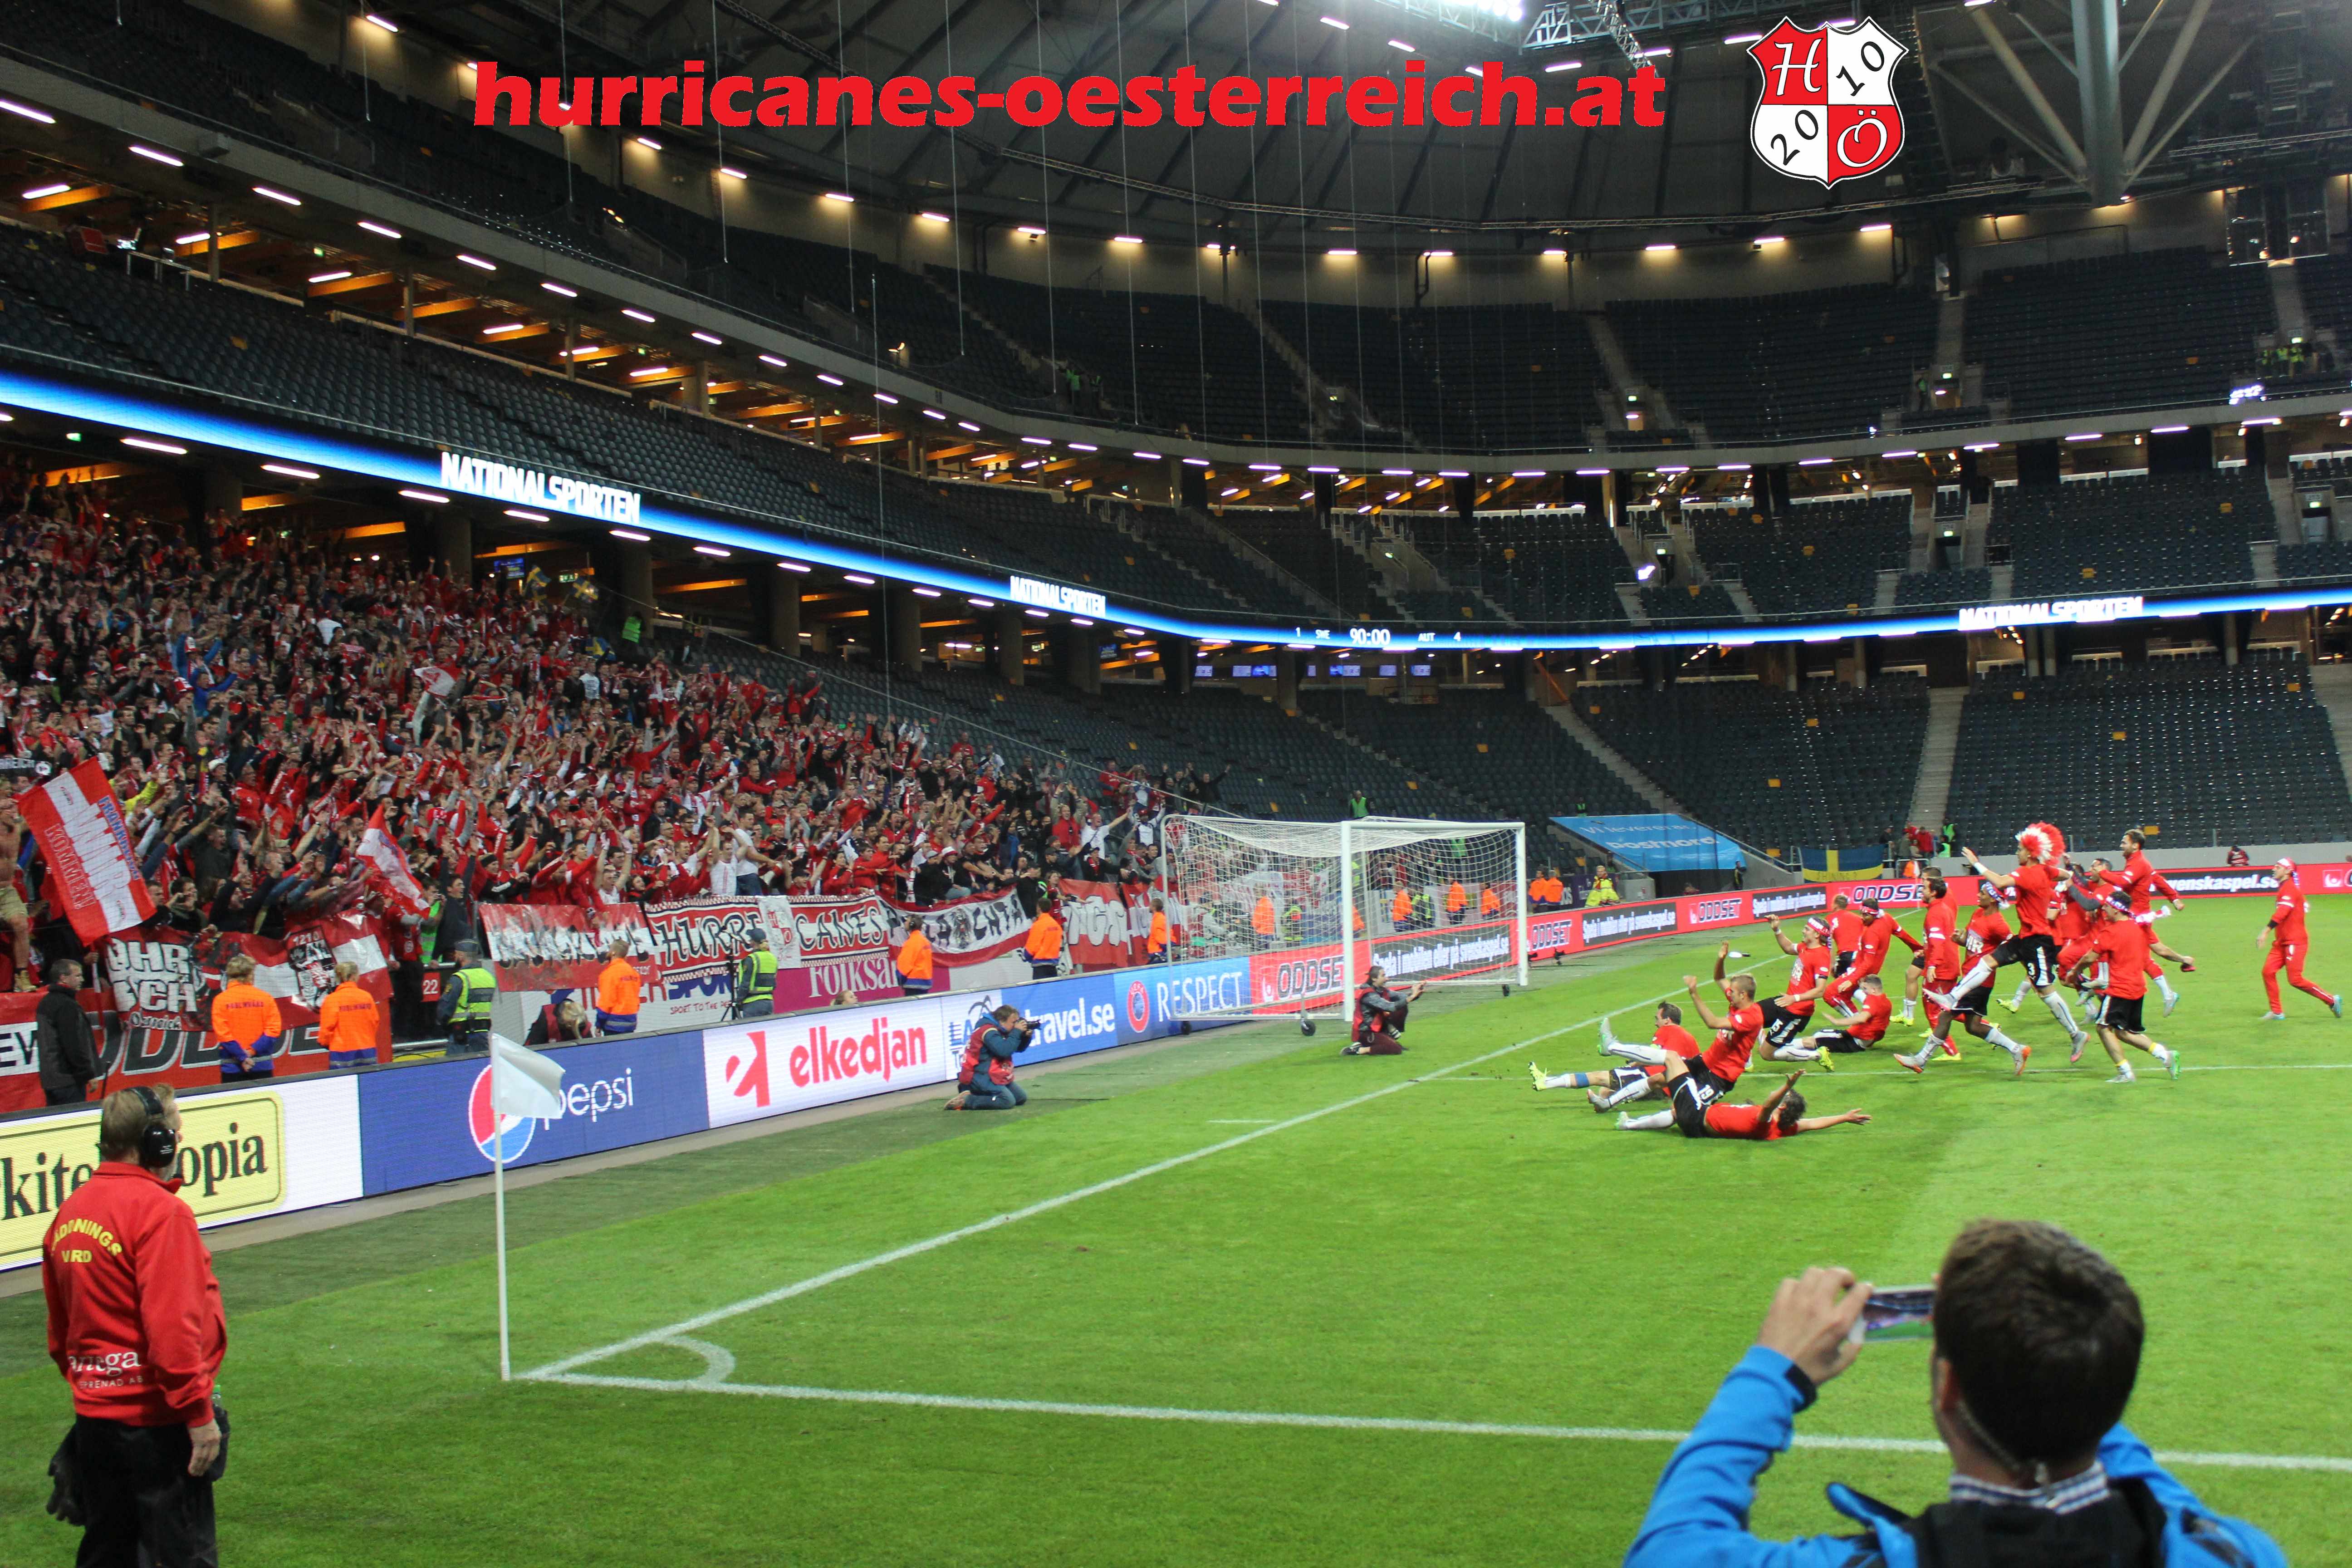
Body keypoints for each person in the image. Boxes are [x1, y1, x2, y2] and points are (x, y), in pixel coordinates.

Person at [1623, 1219, 2286, 1568]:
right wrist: (2053, 1344)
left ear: (1947, 1389)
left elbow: (1669, 1551)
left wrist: (1774, 1371)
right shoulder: (2232, 1552)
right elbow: (2114, 1440)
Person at [41, 1086, 227, 1568]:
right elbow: (173, 1332)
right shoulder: (161, 1213)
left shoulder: (71, 1212)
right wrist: (198, 1413)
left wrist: (97, 1386)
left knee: (109, 1552)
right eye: (175, 1132)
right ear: (155, 1143)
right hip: (157, 1424)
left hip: (96, 1423)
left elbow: (61, 1335)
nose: (179, 1141)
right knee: (178, 1555)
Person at [1896, 883, 2034, 1078]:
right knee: (1973, 1027)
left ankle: (1921, 1060)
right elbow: (1972, 942)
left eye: (1983, 893)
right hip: (1969, 978)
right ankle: (2017, 1049)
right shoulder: (1978, 914)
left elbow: (2014, 949)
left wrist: (2031, 972)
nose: (1978, 895)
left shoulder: (1999, 924)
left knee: (1945, 1016)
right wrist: (1960, 940)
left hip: (1980, 982)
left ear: (1992, 899)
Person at [1616, 1063, 1872, 1138]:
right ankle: (1629, 1124)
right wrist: (1845, 1118)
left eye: (1783, 1097)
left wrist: (1788, 1085)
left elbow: (1769, 1105)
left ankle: (1616, 1054)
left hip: (1698, 1117)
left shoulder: (1767, 1121)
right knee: (1675, 1111)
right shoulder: (1784, 1128)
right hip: (1697, 1121)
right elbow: (1814, 1123)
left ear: (1783, 1106)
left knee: (1673, 1060)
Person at [1531, 1000, 1698, 1109]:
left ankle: (1546, 1083)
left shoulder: (1667, 1030)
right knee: (1605, 1090)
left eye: (1658, 1018)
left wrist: (1634, 1063)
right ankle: (1605, 1102)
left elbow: (1653, 1055)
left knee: (1598, 1078)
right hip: (1669, 1089)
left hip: (1649, 1076)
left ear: (1667, 1020)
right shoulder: (1690, 1038)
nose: (1656, 1023)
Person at [2085, 896, 2182, 1084]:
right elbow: (2161, 950)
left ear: (2116, 909)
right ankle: (2166, 1056)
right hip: (2137, 989)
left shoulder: (2110, 931)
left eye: (2107, 906)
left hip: (2120, 989)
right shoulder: (2140, 926)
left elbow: (2089, 958)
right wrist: (2183, 959)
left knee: (2103, 1028)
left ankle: (2125, 1073)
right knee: (2124, 1033)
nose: (2103, 909)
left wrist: (2074, 972)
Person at [2258, 857, 2339, 1020]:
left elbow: (2282, 913)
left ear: (2288, 871)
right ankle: (2277, 1012)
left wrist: (2265, 931)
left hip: (2295, 942)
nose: (2274, 869)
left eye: (2278, 867)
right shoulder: (2287, 889)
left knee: (2295, 980)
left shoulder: (2290, 889)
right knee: (2268, 972)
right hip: (2282, 942)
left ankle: (2331, 1000)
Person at [36, 956, 101, 1107]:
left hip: (51, 1080)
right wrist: (87, 1074)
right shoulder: (67, 1005)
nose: (82, 980)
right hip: (69, 1080)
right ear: (63, 978)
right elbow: (73, 1044)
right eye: (77, 976)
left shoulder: (45, 1002)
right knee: (74, 1120)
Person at [946, 1004, 1035, 1111]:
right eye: (1013, 1022)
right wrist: (1017, 1032)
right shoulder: (988, 1031)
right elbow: (1004, 1051)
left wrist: (1025, 1037)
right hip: (979, 1075)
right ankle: (966, 1100)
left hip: (993, 1073)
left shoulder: (1000, 1029)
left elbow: (1017, 1048)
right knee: (1007, 1101)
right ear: (1002, 1021)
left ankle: (977, 1093)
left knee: (1020, 1098)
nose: (1016, 1025)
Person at [210, 955, 283, 1083]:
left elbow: (223, 1035)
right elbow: (273, 1031)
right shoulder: (265, 998)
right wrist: (251, 1052)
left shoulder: (221, 1000)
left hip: (232, 1067)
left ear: (230, 975)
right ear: (250, 974)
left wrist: (242, 1057)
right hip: (261, 1064)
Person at [316, 960, 381, 1072]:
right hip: (367, 1049)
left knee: (344, 1082)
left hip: (341, 1053)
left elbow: (326, 1029)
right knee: (368, 1081)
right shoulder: (366, 997)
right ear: (354, 976)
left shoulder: (332, 999)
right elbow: (375, 1022)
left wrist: (326, 1043)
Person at [436, 938, 497, 1058]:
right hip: (482, 1034)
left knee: (455, 1067)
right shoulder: (489, 977)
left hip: (461, 1037)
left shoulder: (459, 978)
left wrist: (441, 1026)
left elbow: (446, 1008)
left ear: (461, 956)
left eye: (456, 954)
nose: (454, 957)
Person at [1344, 965, 1424, 1055]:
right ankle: (1361, 1050)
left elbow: (1403, 998)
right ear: (1374, 979)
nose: (1387, 979)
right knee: (1395, 1049)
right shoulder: (1369, 995)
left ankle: (1388, 1035)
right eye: (1383, 976)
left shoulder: (1382, 991)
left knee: (1403, 1007)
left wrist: (1416, 993)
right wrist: (1412, 997)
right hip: (1367, 1032)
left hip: (1378, 1029)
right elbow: (1389, 1007)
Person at [594, 936, 642, 1035]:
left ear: (613, 953)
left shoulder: (609, 973)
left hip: (614, 1025)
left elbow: (606, 1002)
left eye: (610, 949)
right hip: (631, 1022)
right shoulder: (633, 973)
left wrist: (599, 1025)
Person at [735, 933, 780, 1018]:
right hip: (769, 1002)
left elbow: (745, 984)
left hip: (752, 1003)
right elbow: (774, 983)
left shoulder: (751, 959)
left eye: (750, 939)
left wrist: (739, 1000)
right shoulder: (773, 958)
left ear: (753, 942)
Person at [1022, 903, 1064, 980]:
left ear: (1039, 908)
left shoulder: (1038, 925)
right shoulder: (1056, 925)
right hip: (1053, 966)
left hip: (1040, 968)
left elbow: (1032, 947)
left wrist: (1028, 956)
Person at [893, 921, 934, 997]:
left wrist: (900, 978)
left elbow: (905, 964)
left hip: (913, 982)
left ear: (912, 925)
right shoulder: (925, 941)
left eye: (907, 921)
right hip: (925, 981)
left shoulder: (911, 942)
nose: (905, 923)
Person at [1144, 895, 1170, 964]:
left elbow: (1161, 938)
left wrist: (1165, 950)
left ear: (1154, 907)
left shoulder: (1158, 919)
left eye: (1150, 905)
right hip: (1157, 951)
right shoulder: (1159, 918)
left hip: (1157, 952)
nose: (1149, 907)